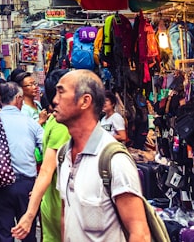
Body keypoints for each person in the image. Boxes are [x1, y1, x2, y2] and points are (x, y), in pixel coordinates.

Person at [53, 69, 149, 242]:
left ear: (85, 101)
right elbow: (65, 216)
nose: (54, 100)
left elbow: (140, 233)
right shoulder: (63, 155)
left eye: (61, 92)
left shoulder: (114, 160)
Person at [0, 82, 44, 242]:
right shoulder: (31, 123)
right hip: (27, 186)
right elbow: (46, 151)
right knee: (28, 233)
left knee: (2, 235)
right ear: (18, 98)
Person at [12, 69, 70, 242]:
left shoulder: (49, 115)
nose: (34, 87)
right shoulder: (60, 125)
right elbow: (47, 169)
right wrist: (30, 213)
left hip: (52, 199)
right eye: (29, 85)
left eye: (34, 83)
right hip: (58, 203)